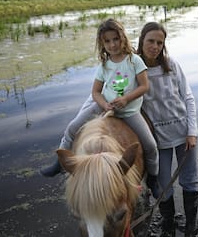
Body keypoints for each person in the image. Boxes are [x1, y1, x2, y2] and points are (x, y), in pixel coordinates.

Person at [40, 18, 159, 189]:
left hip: (129, 111)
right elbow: (95, 92)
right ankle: (59, 164)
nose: (112, 45)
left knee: (151, 145)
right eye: (107, 41)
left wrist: (126, 99)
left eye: (115, 39)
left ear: (122, 38)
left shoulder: (134, 61)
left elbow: (144, 86)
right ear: (102, 43)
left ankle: (153, 178)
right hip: (104, 106)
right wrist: (103, 104)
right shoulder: (104, 65)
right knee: (72, 128)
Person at [137, 22, 198, 237]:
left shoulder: (172, 65)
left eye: (159, 42)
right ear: (142, 41)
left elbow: (188, 98)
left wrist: (192, 131)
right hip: (158, 140)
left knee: (190, 179)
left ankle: (191, 223)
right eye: (150, 41)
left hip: (183, 134)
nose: (154, 46)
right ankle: (168, 223)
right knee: (163, 185)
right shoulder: (134, 69)